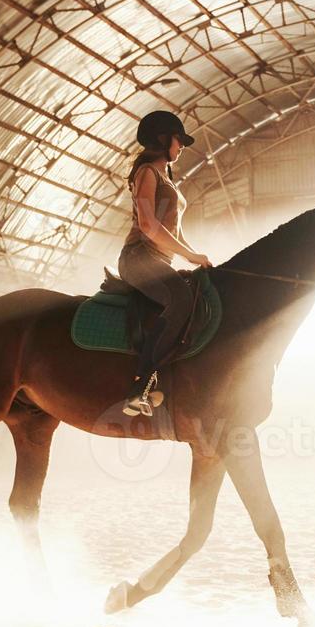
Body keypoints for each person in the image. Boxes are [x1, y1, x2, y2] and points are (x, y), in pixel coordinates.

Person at [115, 110, 212, 416]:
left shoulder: (167, 179)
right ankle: (141, 385)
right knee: (180, 299)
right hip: (139, 258)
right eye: (178, 139)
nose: (181, 146)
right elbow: (147, 224)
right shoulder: (147, 173)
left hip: (159, 258)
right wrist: (189, 255)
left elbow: (175, 231)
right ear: (162, 139)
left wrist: (197, 257)